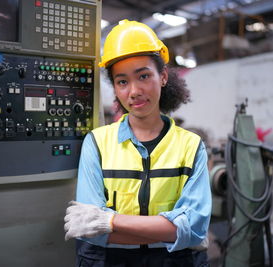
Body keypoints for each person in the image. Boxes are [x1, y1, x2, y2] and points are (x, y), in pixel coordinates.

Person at [64, 19, 212, 267]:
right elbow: (89, 230)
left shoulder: (192, 146)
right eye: (122, 81)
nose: (133, 91)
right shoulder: (97, 143)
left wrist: (109, 222)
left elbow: (194, 229)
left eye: (143, 76)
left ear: (163, 76)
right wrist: (170, 229)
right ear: (115, 88)